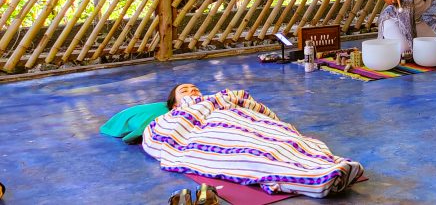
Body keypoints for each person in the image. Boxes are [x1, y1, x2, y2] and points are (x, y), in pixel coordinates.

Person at [142, 84, 364, 198]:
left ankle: (329, 163)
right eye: (184, 91)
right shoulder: (173, 115)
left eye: (195, 88)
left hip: (241, 119)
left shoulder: (219, 98)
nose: (192, 91)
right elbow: (158, 136)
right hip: (216, 130)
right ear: (174, 104)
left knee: (282, 139)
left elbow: (251, 105)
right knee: (250, 152)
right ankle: (317, 179)